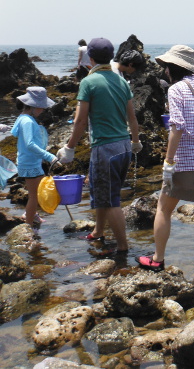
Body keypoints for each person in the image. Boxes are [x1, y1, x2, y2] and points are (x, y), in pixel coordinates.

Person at [136, 45, 194, 279]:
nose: (165, 71)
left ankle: (157, 260)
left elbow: (176, 127)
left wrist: (168, 162)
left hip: (187, 163)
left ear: (172, 68)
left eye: (166, 67)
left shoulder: (176, 90)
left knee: (164, 209)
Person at [57, 37, 142, 253]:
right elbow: (132, 118)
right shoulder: (122, 81)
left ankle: (123, 247)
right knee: (104, 193)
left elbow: (80, 120)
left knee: (111, 200)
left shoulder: (88, 82)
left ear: (91, 57)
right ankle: (98, 231)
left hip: (105, 149)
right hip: (124, 147)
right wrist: (135, 141)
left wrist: (69, 148)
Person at [11, 87, 60, 226]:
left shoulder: (23, 118)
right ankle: (28, 225)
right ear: (32, 106)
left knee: (37, 192)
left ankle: (33, 215)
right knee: (34, 196)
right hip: (29, 163)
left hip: (30, 161)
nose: (43, 110)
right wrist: (49, 156)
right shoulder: (27, 121)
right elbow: (30, 144)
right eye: (41, 107)